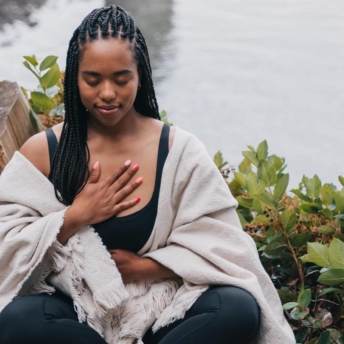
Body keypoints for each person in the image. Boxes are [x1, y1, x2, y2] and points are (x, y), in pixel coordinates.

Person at [0, 5, 295, 344]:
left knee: (238, 306)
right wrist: (76, 216)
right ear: (74, 78)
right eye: (92, 80)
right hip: (77, 315)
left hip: (161, 314)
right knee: (17, 320)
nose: (108, 93)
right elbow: (7, 247)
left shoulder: (179, 151)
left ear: (140, 75)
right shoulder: (44, 152)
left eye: (121, 79)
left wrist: (146, 268)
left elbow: (224, 249)